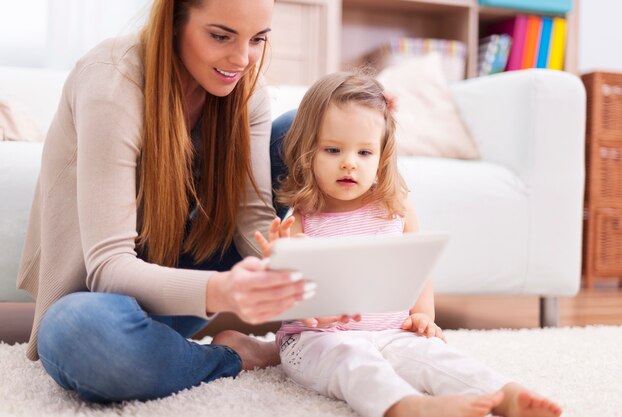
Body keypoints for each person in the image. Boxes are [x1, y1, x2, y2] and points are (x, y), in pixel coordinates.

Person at [16, 0, 308, 403]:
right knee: (77, 332)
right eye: (220, 36)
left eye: (257, 39)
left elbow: (252, 221)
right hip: (108, 297)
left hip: (191, 261)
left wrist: (297, 263)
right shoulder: (111, 82)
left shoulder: (245, 86)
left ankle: (164, 353)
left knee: (307, 128)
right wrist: (222, 290)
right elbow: (108, 268)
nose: (241, 59)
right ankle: (230, 357)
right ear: (174, 21)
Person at [255, 72, 563, 417]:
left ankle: (505, 395)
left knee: (437, 357)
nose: (349, 162)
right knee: (355, 364)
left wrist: (422, 315)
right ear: (307, 150)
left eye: (364, 151)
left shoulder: (395, 208)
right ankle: (407, 406)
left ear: (382, 155)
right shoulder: (300, 217)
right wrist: (280, 260)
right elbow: (295, 296)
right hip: (318, 342)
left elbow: (419, 269)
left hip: (391, 333)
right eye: (332, 149)